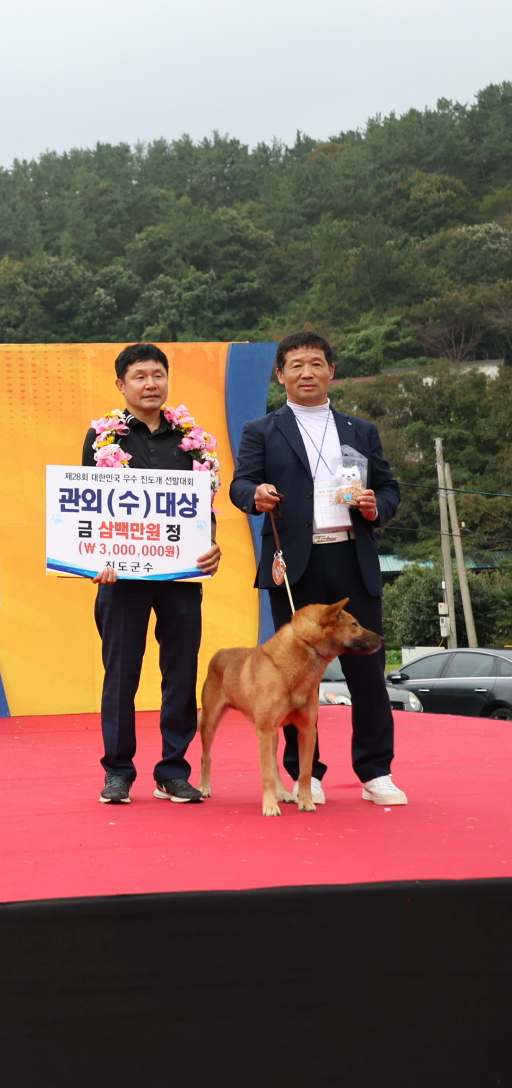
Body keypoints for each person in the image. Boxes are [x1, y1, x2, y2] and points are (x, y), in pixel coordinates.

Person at [229, 331, 405, 806]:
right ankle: (306, 774)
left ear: (332, 371)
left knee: (367, 671)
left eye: (316, 364)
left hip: (352, 556)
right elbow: (240, 485)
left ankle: (375, 772)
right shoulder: (261, 430)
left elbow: (389, 491)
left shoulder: (360, 430)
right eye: (296, 365)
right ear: (280, 375)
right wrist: (257, 495)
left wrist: (374, 507)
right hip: (296, 564)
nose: (307, 373)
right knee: (295, 676)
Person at [82, 343, 223, 807]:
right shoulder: (103, 439)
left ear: (167, 381)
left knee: (180, 673)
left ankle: (173, 772)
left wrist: (212, 544)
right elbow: (88, 502)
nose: (150, 383)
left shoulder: (192, 440)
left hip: (180, 576)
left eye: (157, 374)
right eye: (139, 376)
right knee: (120, 675)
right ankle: (118, 773)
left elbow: (203, 508)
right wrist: (93, 560)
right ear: (121, 385)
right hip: (121, 578)